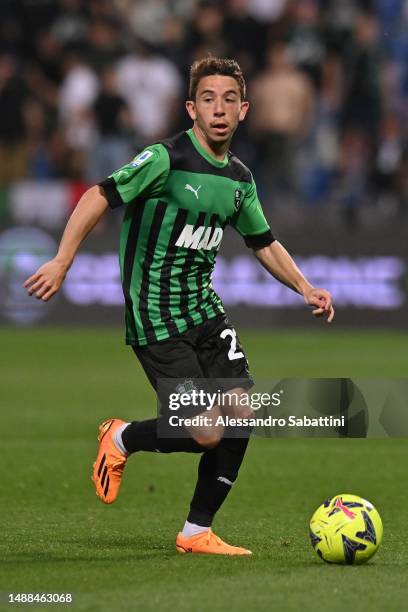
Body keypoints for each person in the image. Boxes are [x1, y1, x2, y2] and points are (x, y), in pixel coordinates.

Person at [24, 57, 334, 556]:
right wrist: (62, 259)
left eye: (229, 99)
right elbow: (98, 195)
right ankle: (123, 437)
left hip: (204, 312)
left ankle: (196, 532)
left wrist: (305, 286)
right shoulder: (163, 160)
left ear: (244, 110)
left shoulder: (239, 178)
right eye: (208, 99)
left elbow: (264, 241)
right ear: (191, 108)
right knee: (207, 431)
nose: (219, 109)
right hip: (156, 316)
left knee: (241, 414)